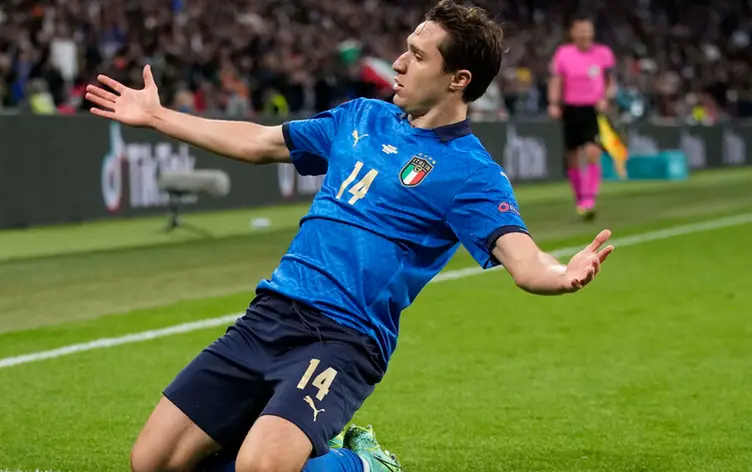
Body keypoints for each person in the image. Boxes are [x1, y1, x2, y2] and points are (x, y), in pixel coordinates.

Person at [85, 1, 615, 471]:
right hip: (270, 314)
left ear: (459, 79)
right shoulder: (360, 117)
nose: (399, 64)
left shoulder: (471, 173)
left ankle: (362, 462)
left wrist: (559, 273)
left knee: (262, 468)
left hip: (344, 338)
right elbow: (259, 143)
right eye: (404, 49)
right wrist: (158, 117)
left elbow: (522, 259)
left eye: (418, 55)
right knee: (152, 462)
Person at [548, 15, 617, 220]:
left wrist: (606, 98)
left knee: (592, 150)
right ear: (573, 33)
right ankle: (580, 197)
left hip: (593, 109)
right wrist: (553, 103)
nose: (584, 34)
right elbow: (556, 80)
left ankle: (589, 199)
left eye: (588, 30)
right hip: (571, 108)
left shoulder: (603, 53)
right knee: (573, 156)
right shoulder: (563, 54)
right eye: (581, 30)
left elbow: (610, 81)